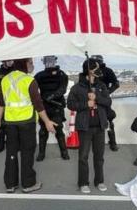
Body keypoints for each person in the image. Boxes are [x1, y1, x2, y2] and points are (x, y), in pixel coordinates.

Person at [0, 58, 58, 193]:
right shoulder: (29, 81)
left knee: (11, 152)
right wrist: (47, 121)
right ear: (24, 64)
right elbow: (38, 105)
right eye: (31, 63)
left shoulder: (5, 80)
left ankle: (10, 184)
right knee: (27, 152)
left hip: (10, 122)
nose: (33, 65)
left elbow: (0, 103)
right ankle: (28, 184)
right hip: (26, 122)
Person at [67, 58, 112, 193]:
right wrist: (86, 104)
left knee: (99, 156)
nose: (99, 70)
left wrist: (96, 97)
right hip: (84, 127)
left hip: (99, 126)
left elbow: (108, 102)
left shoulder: (101, 86)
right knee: (83, 157)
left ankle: (99, 181)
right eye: (96, 68)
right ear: (88, 70)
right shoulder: (77, 87)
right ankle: (83, 183)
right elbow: (70, 104)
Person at [34, 55, 70, 162]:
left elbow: (63, 89)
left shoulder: (61, 74)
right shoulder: (39, 76)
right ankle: (41, 153)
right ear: (44, 62)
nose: (49, 63)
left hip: (57, 107)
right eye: (47, 61)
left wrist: (52, 96)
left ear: (55, 61)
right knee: (43, 132)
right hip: (44, 107)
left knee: (58, 130)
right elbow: (34, 90)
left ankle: (64, 152)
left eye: (51, 61)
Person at [90, 55, 121, 151]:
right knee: (89, 120)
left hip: (103, 100)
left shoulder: (107, 71)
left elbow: (116, 84)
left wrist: (107, 93)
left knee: (109, 120)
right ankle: (90, 142)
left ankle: (113, 142)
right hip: (91, 99)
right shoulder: (89, 70)